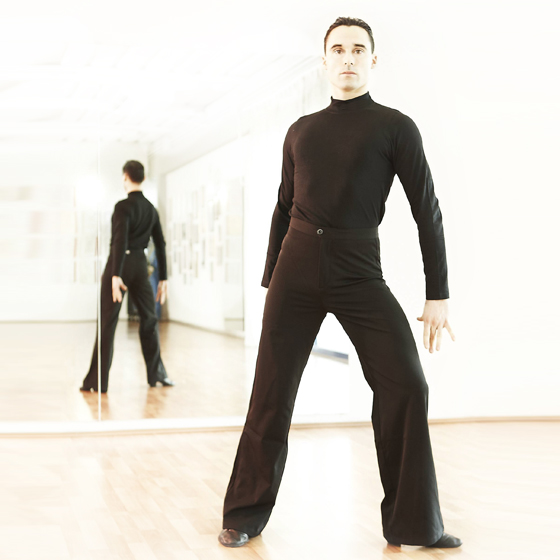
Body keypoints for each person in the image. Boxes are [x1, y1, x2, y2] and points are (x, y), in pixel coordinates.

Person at [218, 17, 462, 549]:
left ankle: (416, 524)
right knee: (271, 393)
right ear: (324, 60)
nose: (347, 57)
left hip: (359, 268)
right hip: (296, 268)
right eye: (338, 49)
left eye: (357, 49)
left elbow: (427, 210)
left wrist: (437, 293)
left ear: (373, 60)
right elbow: (283, 207)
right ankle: (243, 515)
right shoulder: (300, 130)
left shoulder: (396, 127)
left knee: (407, 385)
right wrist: (272, 281)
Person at [80, 160, 174, 393]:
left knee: (107, 324)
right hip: (140, 265)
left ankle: (98, 381)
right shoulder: (151, 209)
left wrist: (115, 275)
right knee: (149, 320)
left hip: (119, 265)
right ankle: (157, 374)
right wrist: (163, 278)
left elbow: (119, 241)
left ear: (125, 177)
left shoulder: (122, 207)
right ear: (143, 178)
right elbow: (160, 244)